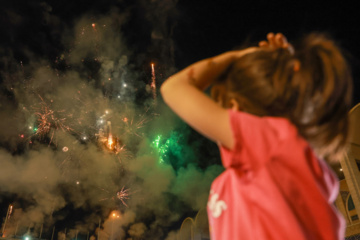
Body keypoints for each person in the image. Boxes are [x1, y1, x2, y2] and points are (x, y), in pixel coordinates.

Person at [160, 32, 353, 239]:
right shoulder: (235, 179)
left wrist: (237, 57)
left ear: (236, 106)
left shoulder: (269, 142)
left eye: (225, 107)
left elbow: (174, 87)